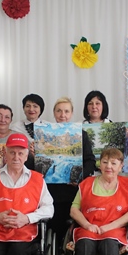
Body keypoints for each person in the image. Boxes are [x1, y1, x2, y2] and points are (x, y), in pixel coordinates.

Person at [47, 97, 96, 246]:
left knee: (72, 228)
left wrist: (79, 177)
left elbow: (90, 161)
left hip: (73, 190)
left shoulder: (81, 134)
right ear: (54, 113)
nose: (63, 115)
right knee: (54, 228)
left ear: (71, 113)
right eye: (59, 111)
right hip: (51, 191)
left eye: (66, 111)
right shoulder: (46, 134)